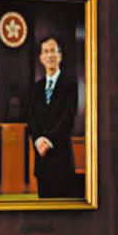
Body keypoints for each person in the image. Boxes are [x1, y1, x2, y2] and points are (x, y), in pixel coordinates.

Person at [26, 36, 79, 198]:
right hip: (41, 161)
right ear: (41, 58)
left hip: (62, 161)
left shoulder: (71, 86)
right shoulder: (36, 88)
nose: (49, 55)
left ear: (60, 56)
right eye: (45, 52)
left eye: (53, 51)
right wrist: (37, 140)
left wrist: (48, 141)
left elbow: (68, 118)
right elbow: (31, 118)